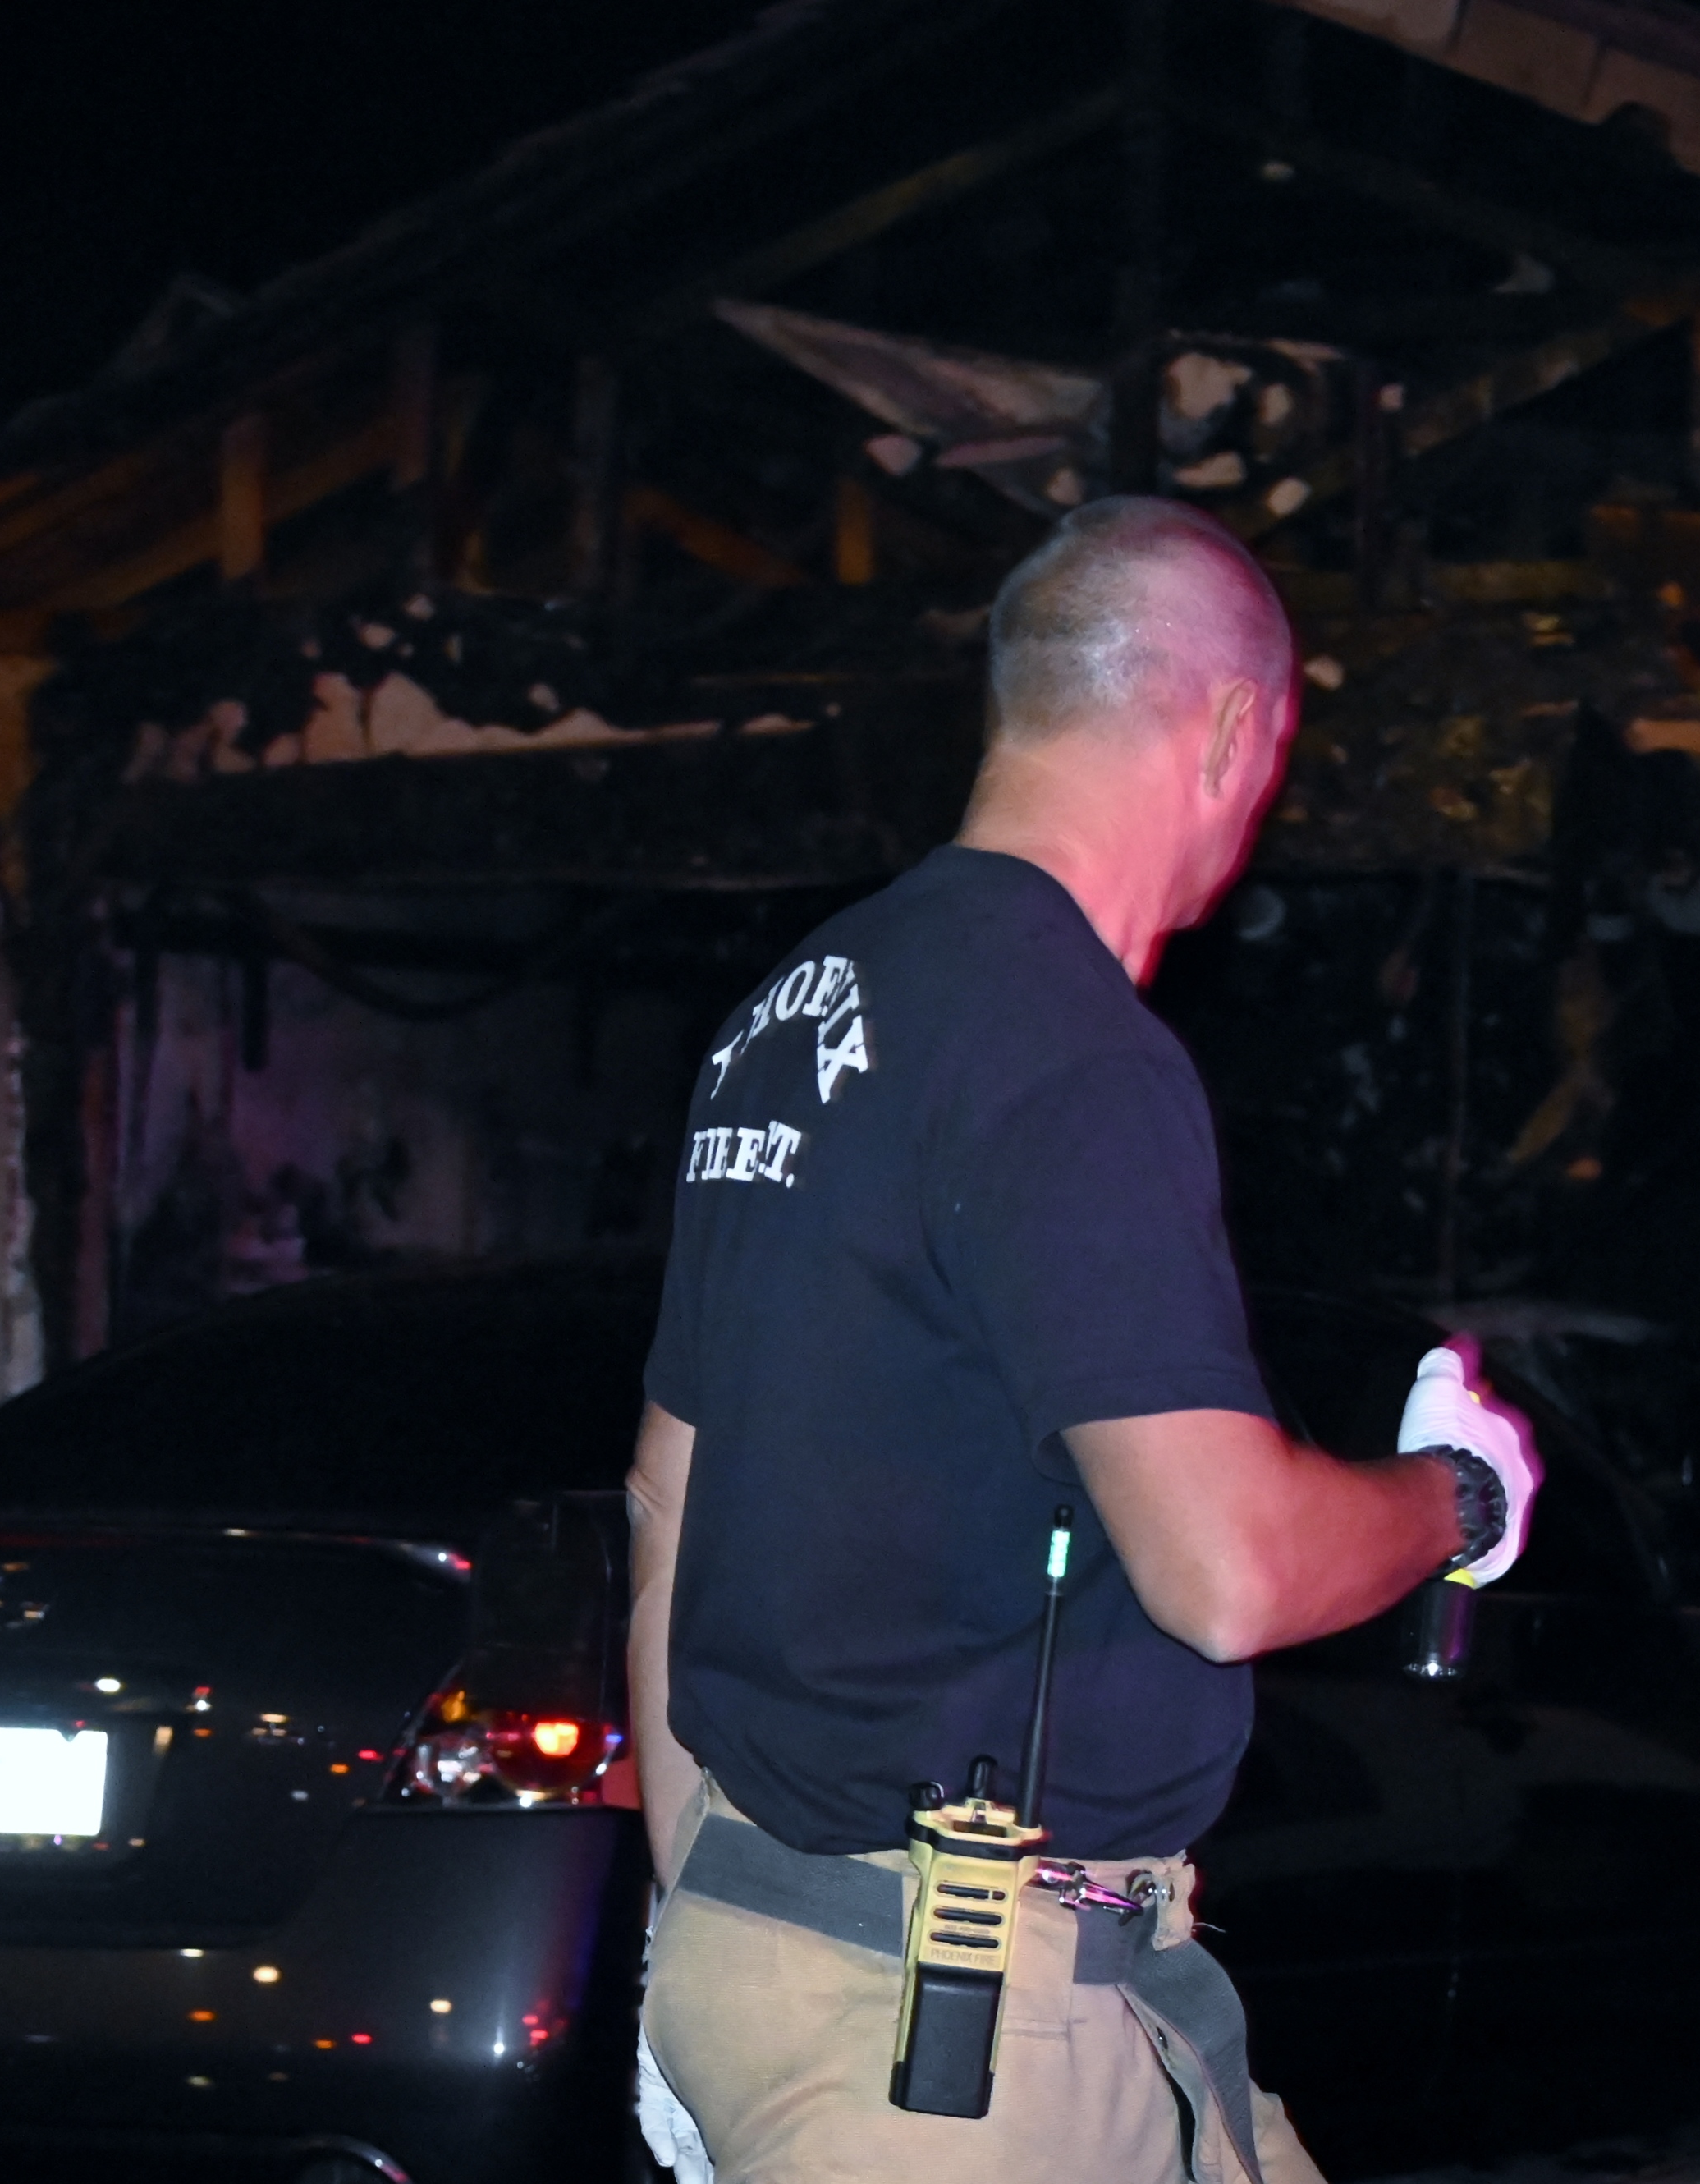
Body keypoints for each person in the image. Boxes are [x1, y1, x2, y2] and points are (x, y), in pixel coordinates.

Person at [626, 497, 1538, 2184]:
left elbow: (668, 1495)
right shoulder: (1068, 1050)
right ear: (1231, 730)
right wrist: (1455, 1501)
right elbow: (1226, 1573)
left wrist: (709, 1917)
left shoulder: (793, 1011)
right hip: (950, 2034)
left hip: (846, 1961)